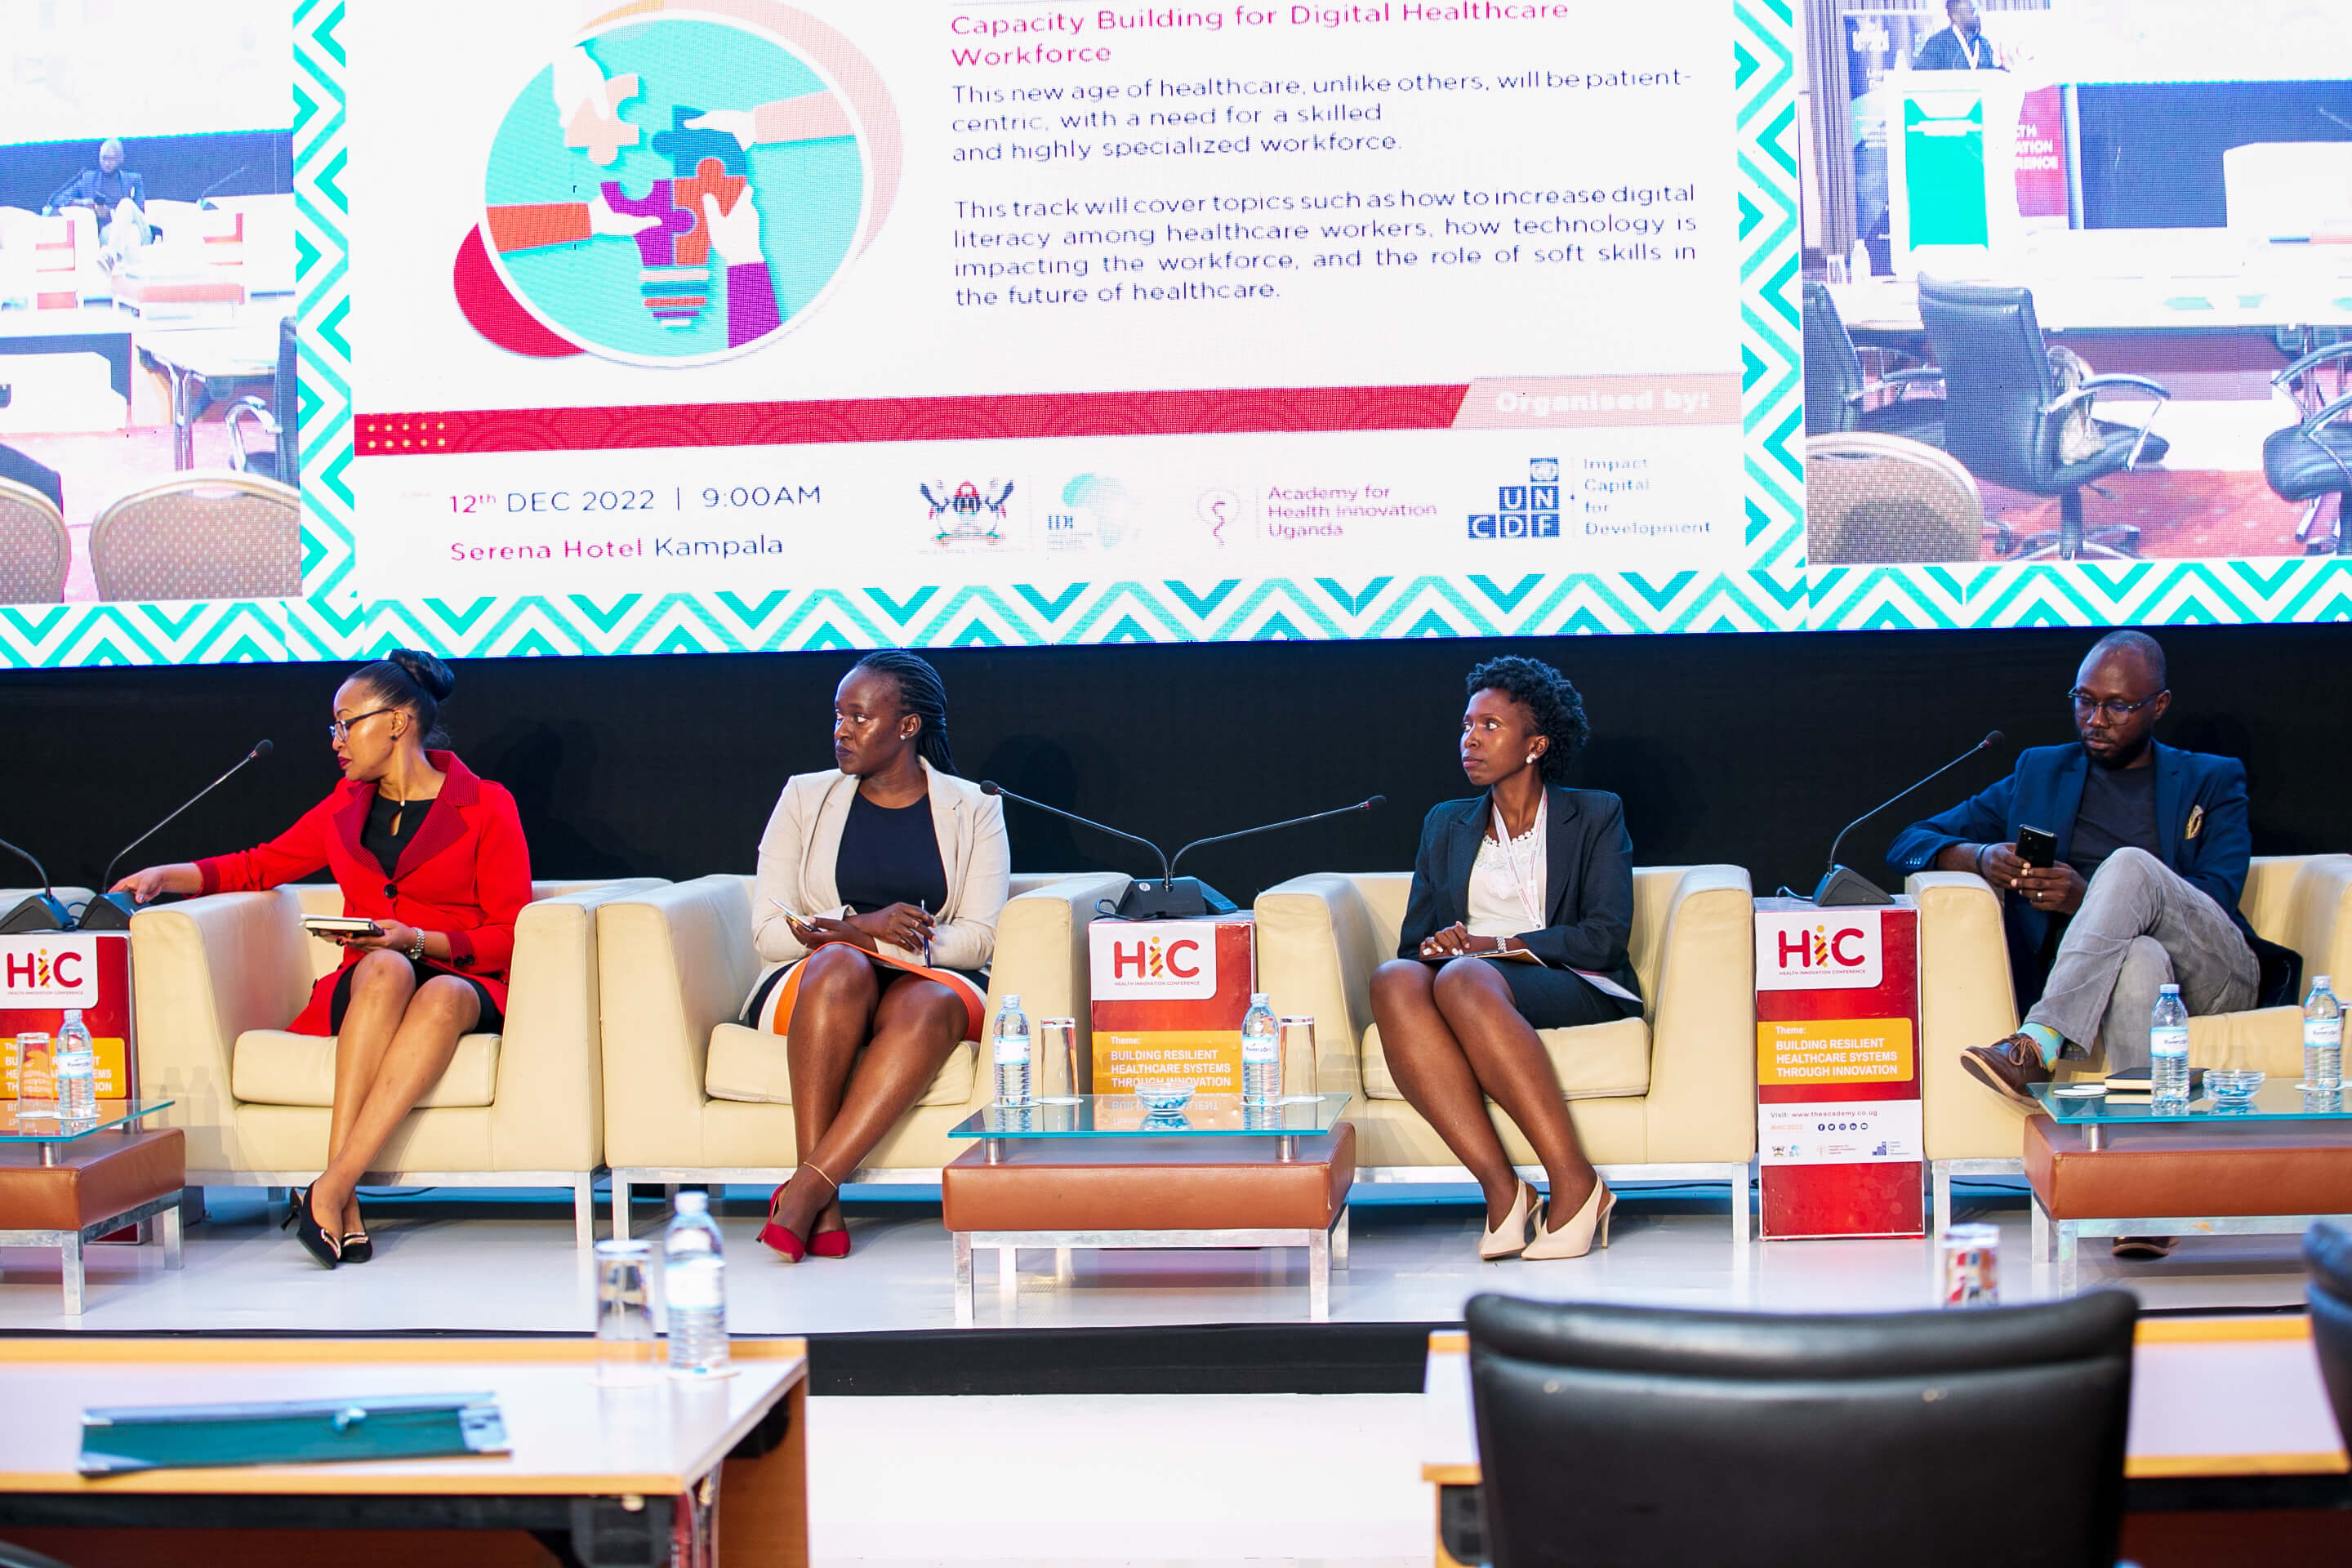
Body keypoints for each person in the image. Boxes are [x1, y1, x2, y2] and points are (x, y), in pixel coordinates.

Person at [111, 650, 531, 1268]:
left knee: (442, 993)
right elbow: (261, 865)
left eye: (346, 723)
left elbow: (510, 933)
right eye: (334, 726)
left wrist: (415, 938)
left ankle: (331, 1187)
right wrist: (168, 875)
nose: (335, 740)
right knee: (383, 968)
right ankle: (339, 1193)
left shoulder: (486, 804)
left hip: (461, 976)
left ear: (396, 722)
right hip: (373, 981)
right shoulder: (343, 806)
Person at [1887, 631, 2256, 1257]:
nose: (2096, 719)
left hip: (2213, 969)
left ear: (2159, 705)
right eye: (2084, 701)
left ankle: (2039, 1042)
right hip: (2126, 984)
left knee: (2130, 867)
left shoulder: (2211, 779)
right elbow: (1909, 842)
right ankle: (2145, 1200)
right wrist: (1981, 856)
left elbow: (2216, 896)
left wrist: (2091, 896)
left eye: (2117, 706)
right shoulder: (2042, 772)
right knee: (2138, 960)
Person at [1368, 656, 1644, 1262]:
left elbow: (1603, 937)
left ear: (1536, 745)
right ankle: (1503, 1190)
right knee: (1393, 979)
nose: (1470, 739)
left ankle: (1577, 1182)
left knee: (1466, 976)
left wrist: (1493, 948)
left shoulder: (1595, 814)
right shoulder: (1445, 823)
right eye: (1467, 725)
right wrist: (1439, 946)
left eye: (1490, 726)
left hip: (1571, 979)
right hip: (1468, 980)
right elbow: (1416, 942)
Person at [746, 650, 1009, 1262]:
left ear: (907, 725)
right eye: (838, 715)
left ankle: (806, 1193)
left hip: (931, 978)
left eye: (859, 717)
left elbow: (980, 937)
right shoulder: (804, 797)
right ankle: (822, 1200)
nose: (841, 730)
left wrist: (879, 942)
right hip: (818, 978)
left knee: (932, 1002)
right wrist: (858, 930)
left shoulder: (974, 806)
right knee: (840, 965)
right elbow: (768, 931)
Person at [44, 138, 147, 247]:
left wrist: (111, 213)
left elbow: (139, 211)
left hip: (137, 228)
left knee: (126, 204)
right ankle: (111, 253)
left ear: (121, 158)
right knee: (121, 236)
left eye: (111, 159)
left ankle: (111, 252)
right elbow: (56, 200)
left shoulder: (133, 179)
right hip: (109, 231)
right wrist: (83, 203)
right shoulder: (88, 179)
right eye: (104, 158)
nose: (107, 163)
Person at [1913, 0, 2002, 71]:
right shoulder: (1938, 43)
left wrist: (2003, 67)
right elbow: (1921, 75)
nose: (1977, 16)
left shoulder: (1983, 43)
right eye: (1972, 11)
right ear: (1956, 17)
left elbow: (1990, 75)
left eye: (1978, 11)